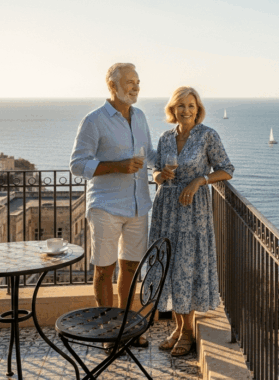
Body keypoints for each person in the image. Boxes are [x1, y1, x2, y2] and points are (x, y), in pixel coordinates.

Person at [70, 63, 154, 349]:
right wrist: (115, 166)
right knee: (104, 269)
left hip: (138, 205)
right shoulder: (93, 121)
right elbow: (77, 164)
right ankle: (108, 331)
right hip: (105, 206)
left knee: (130, 267)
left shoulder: (140, 117)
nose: (135, 87)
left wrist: (162, 168)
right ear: (112, 85)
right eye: (130, 82)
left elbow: (149, 154)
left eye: (138, 82)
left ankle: (126, 328)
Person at [149, 86, 234, 357]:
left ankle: (187, 333)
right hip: (166, 208)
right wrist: (159, 176)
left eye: (191, 105)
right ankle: (177, 328)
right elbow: (156, 171)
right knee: (170, 266)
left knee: (187, 267)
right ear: (172, 109)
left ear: (198, 110)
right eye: (181, 106)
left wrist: (200, 180)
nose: (186, 110)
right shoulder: (165, 138)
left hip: (192, 211)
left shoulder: (208, 135)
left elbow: (227, 170)